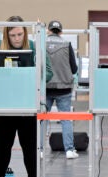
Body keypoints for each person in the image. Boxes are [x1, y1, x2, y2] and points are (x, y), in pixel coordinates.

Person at [0, 16, 53, 177]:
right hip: (3, 108)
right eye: (13, 35)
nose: (17, 39)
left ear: (25, 33)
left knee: (30, 149)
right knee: (1, 149)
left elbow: (48, 72)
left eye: (20, 34)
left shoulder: (34, 47)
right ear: (7, 35)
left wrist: (30, 78)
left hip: (27, 107)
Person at [45, 20, 78, 159]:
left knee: (42, 119)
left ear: (48, 30)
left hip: (45, 88)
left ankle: (39, 150)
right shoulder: (67, 44)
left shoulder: (41, 44)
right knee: (66, 119)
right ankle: (69, 150)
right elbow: (74, 68)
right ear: (61, 32)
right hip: (64, 88)